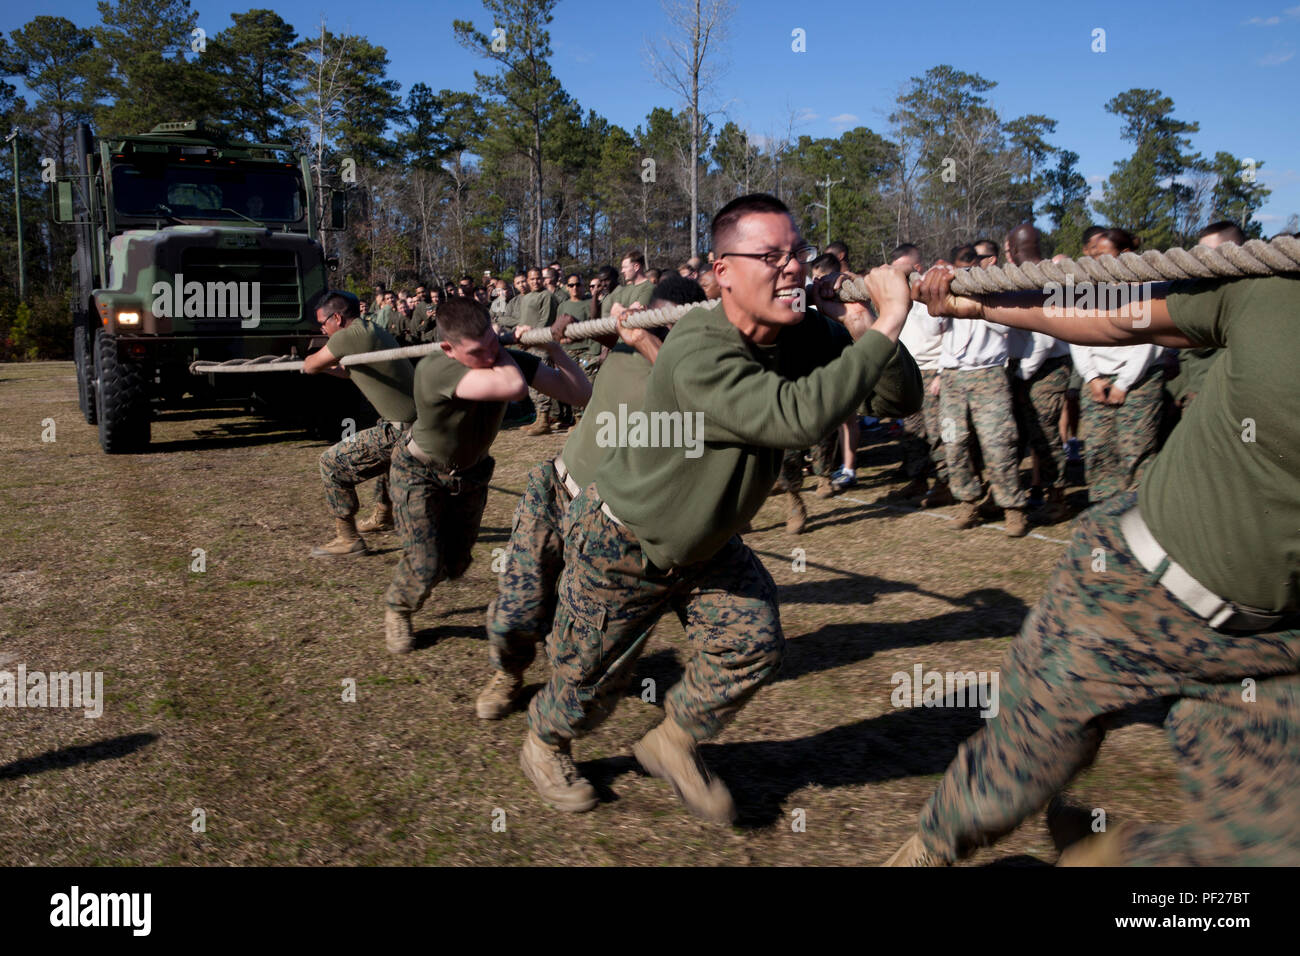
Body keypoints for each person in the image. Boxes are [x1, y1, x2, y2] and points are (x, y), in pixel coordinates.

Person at [517, 194, 922, 820]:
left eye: (798, 254)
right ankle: (545, 742)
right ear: (723, 269)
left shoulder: (805, 333)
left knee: (753, 642)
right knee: (588, 684)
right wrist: (893, 319)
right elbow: (797, 417)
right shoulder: (697, 348)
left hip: (708, 546)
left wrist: (866, 327)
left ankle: (672, 742)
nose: (790, 268)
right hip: (624, 541)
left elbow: (897, 400)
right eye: (771, 256)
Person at [887, 261, 1300, 867]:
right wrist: (985, 306)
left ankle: (1105, 858)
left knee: (1273, 853)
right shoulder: (1277, 293)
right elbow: (1115, 316)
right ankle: (930, 847)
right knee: (1014, 771)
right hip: (1131, 588)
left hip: (1274, 647)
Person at [476, 274, 706, 722]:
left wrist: (644, 339)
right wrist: (564, 328)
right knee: (516, 609)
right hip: (558, 489)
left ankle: (562, 705)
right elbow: (589, 339)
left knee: (583, 630)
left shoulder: (694, 372)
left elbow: (692, 409)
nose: (649, 328)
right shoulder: (625, 341)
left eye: (663, 325)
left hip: (609, 521)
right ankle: (508, 672)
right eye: (649, 319)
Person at [382, 298, 592, 654]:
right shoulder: (436, 369)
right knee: (425, 562)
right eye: (481, 350)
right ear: (449, 348)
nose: (491, 353)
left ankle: (431, 573)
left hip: (472, 475)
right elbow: (513, 387)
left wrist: (551, 348)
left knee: (457, 564)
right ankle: (398, 609)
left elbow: (580, 393)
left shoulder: (499, 358)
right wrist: (506, 344)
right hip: (420, 473)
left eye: (494, 345)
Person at [918, 246, 1029, 536]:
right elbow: (933, 330)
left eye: (969, 269)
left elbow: (1010, 328)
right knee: (953, 442)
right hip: (953, 378)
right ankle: (967, 500)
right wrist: (942, 298)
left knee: (997, 442)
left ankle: (1012, 506)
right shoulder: (949, 288)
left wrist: (977, 301)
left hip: (988, 375)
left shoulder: (995, 289)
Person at [302, 291, 416, 555]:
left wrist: (309, 363)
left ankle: (348, 539)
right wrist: (327, 368)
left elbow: (310, 366)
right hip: (413, 423)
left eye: (323, 323)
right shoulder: (369, 330)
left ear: (337, 318)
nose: (322, 328)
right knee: (386, 455)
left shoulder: (347, 336)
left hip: (402, 429)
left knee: (331, 463)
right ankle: (384, 515)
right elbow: (347, 371)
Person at [1003, 224, 1072, 523]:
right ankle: (1009, 494)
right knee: (1016, 432)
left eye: (1008, 250)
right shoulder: (1022, 276)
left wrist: (1022, 375)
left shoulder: (1047, 278)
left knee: (1043, 435)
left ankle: (1057, 497)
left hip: (1045, 367)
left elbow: (1044, 337)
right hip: (1024, 366)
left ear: (1015, 250)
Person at [890, 243, 950, 505]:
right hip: (908, 371)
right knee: (913, 433)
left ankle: (945, 483)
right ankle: (917, 480)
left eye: (903, 272)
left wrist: (941, 373)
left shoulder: (937, 296)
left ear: (917, 269)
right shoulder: (895, 300)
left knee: (938, 433)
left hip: (933, 372)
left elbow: (952, 337)